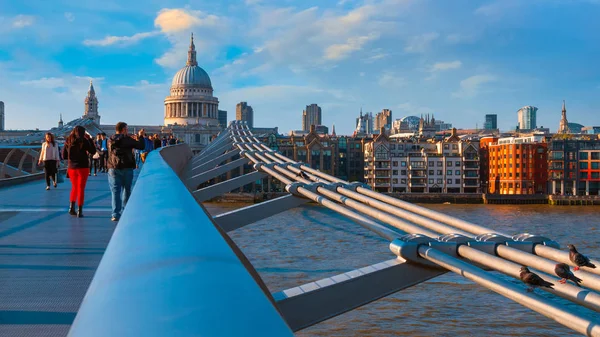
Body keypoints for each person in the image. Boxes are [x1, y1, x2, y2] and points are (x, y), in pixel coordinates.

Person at [107, 122, 145, 222]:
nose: (127, 131)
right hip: (127, 167)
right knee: (126, 190)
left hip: (113, 167)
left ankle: (115, 214)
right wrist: (140, 136)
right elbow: (141, 146)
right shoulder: (127, 140)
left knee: (115, 191)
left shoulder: (110, 140)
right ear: (123, 129)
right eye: (126, 129)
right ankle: (126, 212)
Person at [62, 126, 96, 217]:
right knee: (81, 189)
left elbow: (63, 156)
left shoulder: (68, 141)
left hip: (72, 168)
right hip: (83, 167)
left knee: (74, 187)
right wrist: (90, 140)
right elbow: (93, 151)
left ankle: (71, 208)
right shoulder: (84, 140)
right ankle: (79, 211)